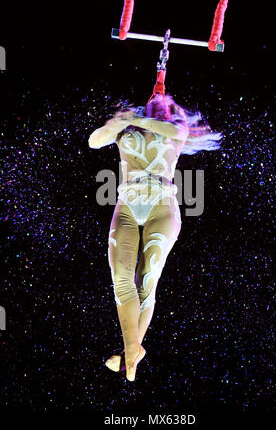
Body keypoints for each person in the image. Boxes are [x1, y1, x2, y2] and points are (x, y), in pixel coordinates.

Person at [88, 93, 222, 381]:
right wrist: (115, 124)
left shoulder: (177, 131)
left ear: (172, 111)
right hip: (127, 205)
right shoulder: (127, 126)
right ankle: (131, 353)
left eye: (168, 102)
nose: (160, 98)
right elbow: (94, 141)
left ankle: (129, 356)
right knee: (120, 277)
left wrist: (133, 119)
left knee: (146, 279)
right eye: (156, 97)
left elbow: (171, 130)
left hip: (161, 208)